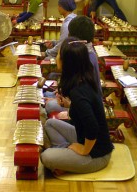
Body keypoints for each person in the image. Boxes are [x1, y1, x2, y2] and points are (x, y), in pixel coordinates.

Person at [41, 37, 113, 175]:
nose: (56, 58)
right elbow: (85, 111)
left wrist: (84, 150)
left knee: (46, 156)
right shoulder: (83, 80)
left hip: (96, 154)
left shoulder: (78, 92)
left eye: (59, 55)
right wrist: (69, 105)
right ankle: (67, 156)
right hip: (83, 137)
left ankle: (67, 158)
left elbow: (93, 127)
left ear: (67, 63)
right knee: (50, 124)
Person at [45, 15, 102, 114]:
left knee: (49, 105)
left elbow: (79, 92)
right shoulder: (85, 50)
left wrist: (63, 100)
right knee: (47, 93)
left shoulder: (84, 57)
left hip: (86, 106)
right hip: (77, 97)